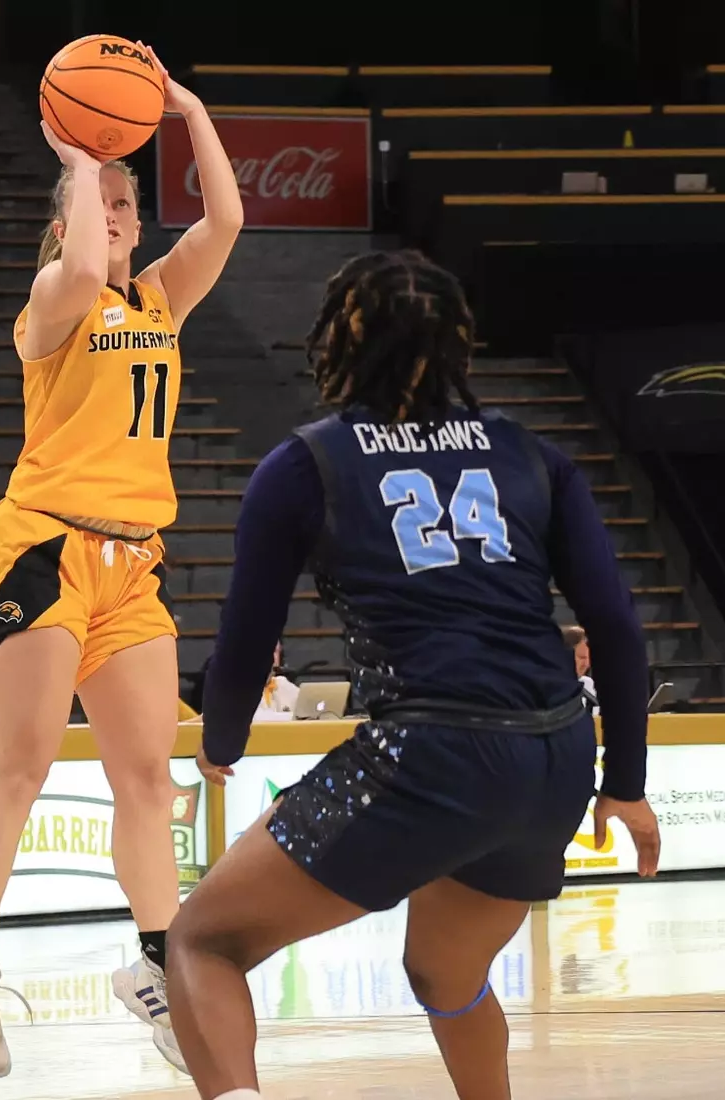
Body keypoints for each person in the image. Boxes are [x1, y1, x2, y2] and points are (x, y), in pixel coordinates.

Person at [165, 251, 660, 1100]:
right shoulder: (533, 456)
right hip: (554, 756)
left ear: (337, 344)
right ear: (460, 346)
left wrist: (221, 738)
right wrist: (628, 783)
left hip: (429, 751)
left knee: (201, 942)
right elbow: (614, 624)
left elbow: (249, 636)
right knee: (444, 972)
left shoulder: (305, 464)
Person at [0, 41, 241, 1078]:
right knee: (21, 766)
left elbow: (228, 221)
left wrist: (183, 111)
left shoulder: (157, 300)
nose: (116, 217)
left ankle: (156, 965)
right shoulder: (52, 304)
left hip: (133, 562)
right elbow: (85, 262)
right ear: (61, 226)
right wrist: (77, 157)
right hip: (45, 550)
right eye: (98, 205)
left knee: (148, 776)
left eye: (127, 205)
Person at [252, 641, 299, 722]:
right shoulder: (235, 689)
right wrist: (299, 718)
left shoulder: (283, 684)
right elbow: (258, 719)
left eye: (274, 651)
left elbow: (309, 710)